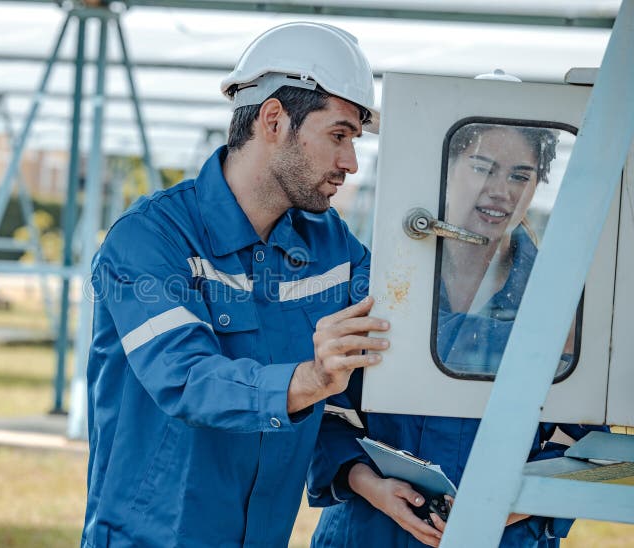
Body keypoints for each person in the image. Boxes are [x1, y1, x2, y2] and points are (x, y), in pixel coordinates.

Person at [81, 22, 390, 548]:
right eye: (338, 135)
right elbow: (186, 378)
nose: (351, 163)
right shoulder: (150, 239)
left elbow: (391, 349)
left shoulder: (333, 248)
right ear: (274, 119)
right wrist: (311, 378)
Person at [308, 122, 605, 547]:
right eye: (483, 167)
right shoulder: (378, 283)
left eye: (520, 175)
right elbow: (327, 412)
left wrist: (498, 511)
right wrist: (370, 485)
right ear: (443, 168)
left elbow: (586, 444)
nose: (502, 189)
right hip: (371, 530)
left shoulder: (563, 300)